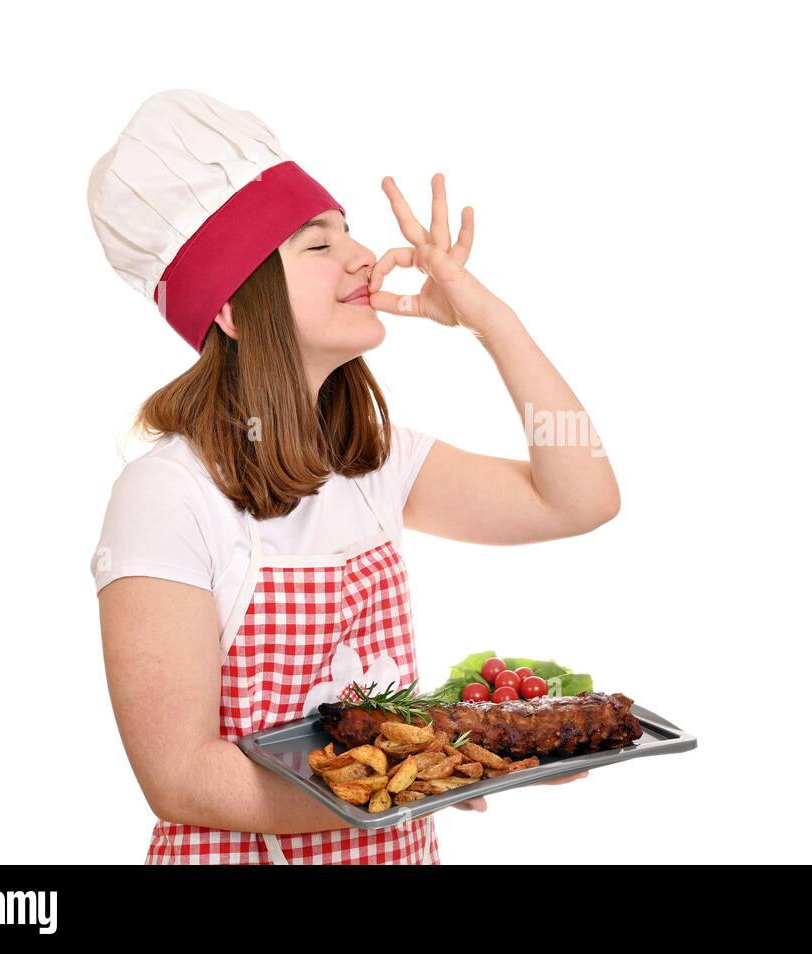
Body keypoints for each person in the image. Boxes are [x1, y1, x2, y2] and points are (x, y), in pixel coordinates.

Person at [86, 89, 618, 864]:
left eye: (348, 231)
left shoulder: (373, 458)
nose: (363, 256)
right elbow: (181, 779)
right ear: (234, 308)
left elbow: (579, 498)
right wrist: (447, 775)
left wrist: (490, 321)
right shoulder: (167, 495)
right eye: (316, 244)